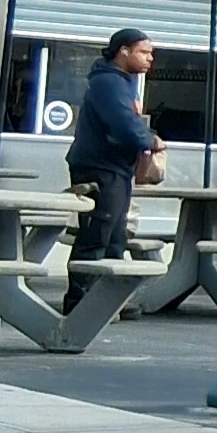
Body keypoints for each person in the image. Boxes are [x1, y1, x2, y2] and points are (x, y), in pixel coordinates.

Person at [62, 28, 164, 313]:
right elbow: (123, 124)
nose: (150, 59)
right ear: (123, 51)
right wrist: (151, 141)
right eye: (144, 52)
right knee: (97, 235)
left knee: (115, 237)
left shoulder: (122, 81)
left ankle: (108, 300)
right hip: (100, 168)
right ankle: (79, 303)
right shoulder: (109, 82)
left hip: (115, 168)